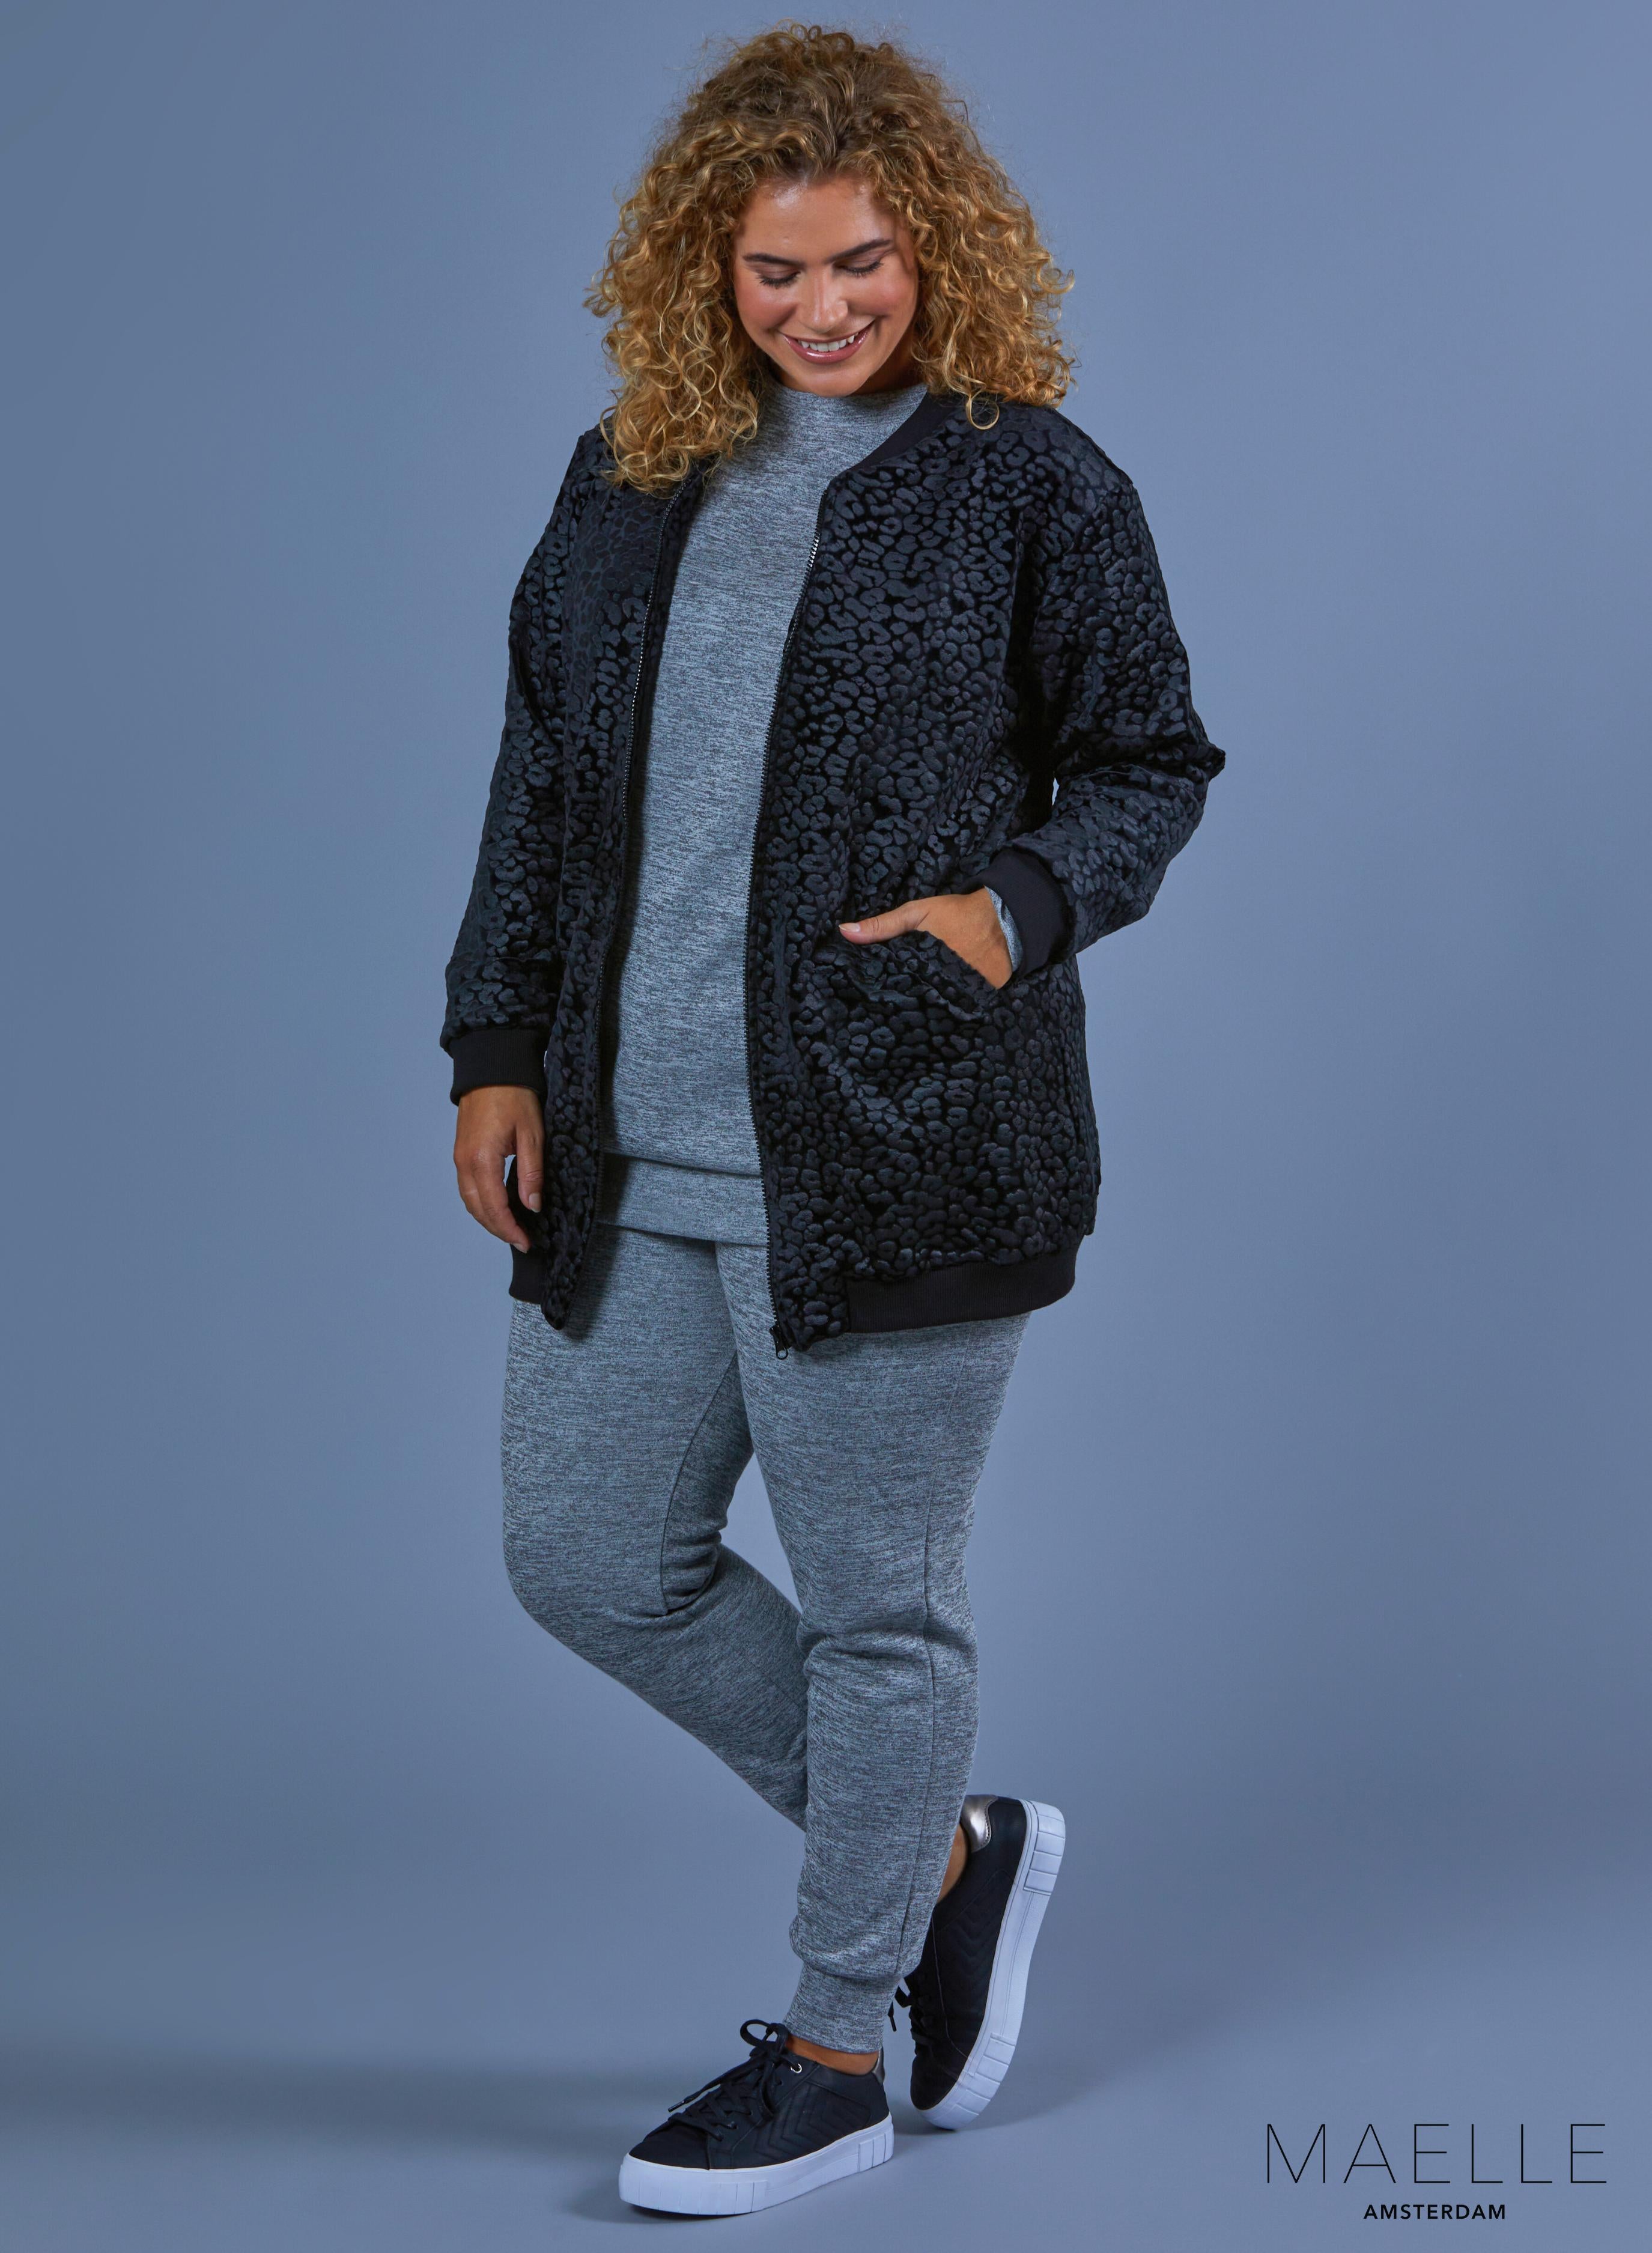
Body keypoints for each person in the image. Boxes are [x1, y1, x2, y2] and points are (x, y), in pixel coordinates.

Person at [443, 23, 1223, 2218]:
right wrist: (493, 1047)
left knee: (886, 1612)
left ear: (933, 243)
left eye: (860, 260)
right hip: (630, 1145)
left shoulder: (1032, 484)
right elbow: (538, 788)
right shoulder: (626, 477)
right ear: (708, 264)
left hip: (904, 1133)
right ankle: (945, 1858)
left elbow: (1151, 760)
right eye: (775, 268)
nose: (820, 306)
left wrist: (1009, 913)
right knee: (589, 1557)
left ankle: (838, 2042)